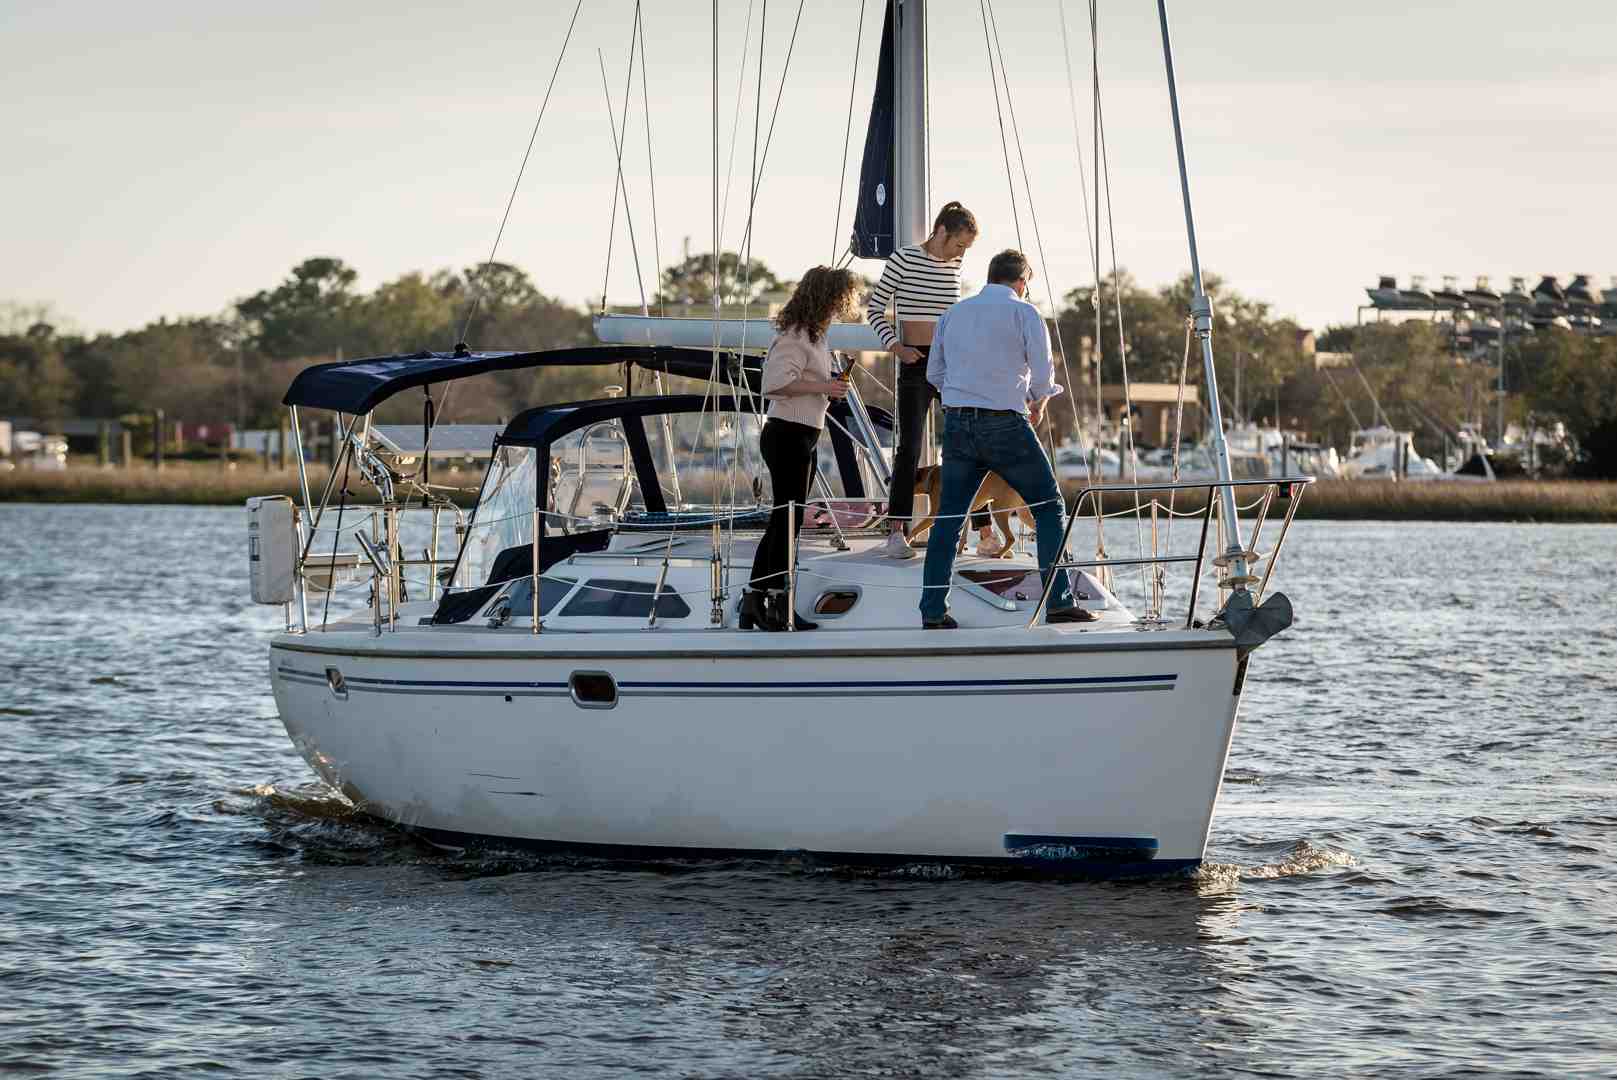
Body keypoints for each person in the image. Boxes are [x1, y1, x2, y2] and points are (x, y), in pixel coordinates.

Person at [918, 249, 1096, 629]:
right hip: (1005, 423)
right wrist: (1038, 403)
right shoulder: (1025, 313)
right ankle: (1059, 602)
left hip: (958, 424)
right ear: (1021, 282)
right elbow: (1044, 380)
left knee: (949, 519)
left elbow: (935, 373)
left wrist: (964, 397)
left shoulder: (953, 314)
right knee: (1049, 508)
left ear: (990, 276)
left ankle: (933, 611)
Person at [864, 201, 997, 559]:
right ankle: (897, 532)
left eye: (966, 248)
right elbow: (874, 309)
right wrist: (896, 348)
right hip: (915, 361)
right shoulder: (904, 259)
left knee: (967, 442)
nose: (962, 253)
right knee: (908, 446)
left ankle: (984, 531)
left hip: (953, 363)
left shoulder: (955, 263)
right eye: (959, 244)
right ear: (940, 231)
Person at [742, 266, 859, 631]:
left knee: (784, 521)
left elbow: (805, 382)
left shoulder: (815, 336)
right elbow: (774, 383)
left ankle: (754, 604)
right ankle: (776, 605)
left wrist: (828, 386)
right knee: (787, 522)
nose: (843, 306)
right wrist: (823, 385)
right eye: (841, 299)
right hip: (787, 433)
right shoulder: (795, 336)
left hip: (801, 433)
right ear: (827, 297)